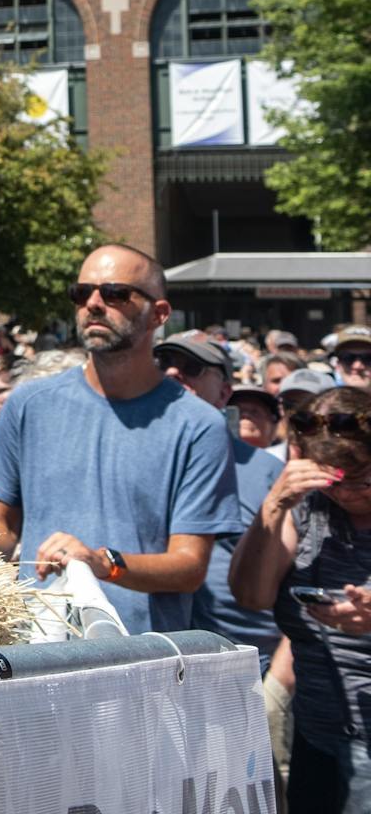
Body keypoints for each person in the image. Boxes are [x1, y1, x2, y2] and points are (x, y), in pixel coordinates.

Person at [0, 244, 239, 634]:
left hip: (142, 659)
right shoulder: (28, 404)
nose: (93, 304)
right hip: (39, 648)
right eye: (81, 293)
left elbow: (189, 566)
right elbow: (1, 523)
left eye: (115, 294)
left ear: (158, 314)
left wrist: (103, 563)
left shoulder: (198, 425)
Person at [232, 387, 371, 811]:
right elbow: (252, 594)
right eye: (332, 481)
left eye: (361, 479)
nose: (345, 494)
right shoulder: (307, 509)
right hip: (318, 737)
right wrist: (274, 505)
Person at [159, 334, 285, 675]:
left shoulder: (266, 472)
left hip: (247, 668)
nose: (172, 373)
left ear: (225, 392)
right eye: (162, 365)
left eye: (192, 368)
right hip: (156, 664)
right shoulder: (135, 463)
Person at [232, 384, 285, 452]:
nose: (246, 415)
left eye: (255, 412)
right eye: (237, 411)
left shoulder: (287, 459)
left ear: (273, 427)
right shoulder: (216, 460)